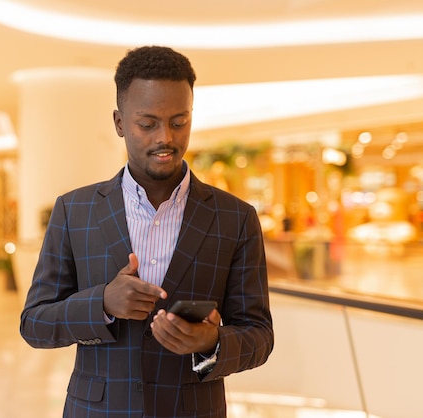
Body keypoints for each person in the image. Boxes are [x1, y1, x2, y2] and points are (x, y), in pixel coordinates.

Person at [20, 45, 274, 418]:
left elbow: (259, 336)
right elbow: (35, 324)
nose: (165, 138)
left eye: (179, 121)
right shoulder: (74, 211)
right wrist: (103, 303)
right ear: (120, 123)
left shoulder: (235, 218)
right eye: (147, 123)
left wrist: (210, 343)